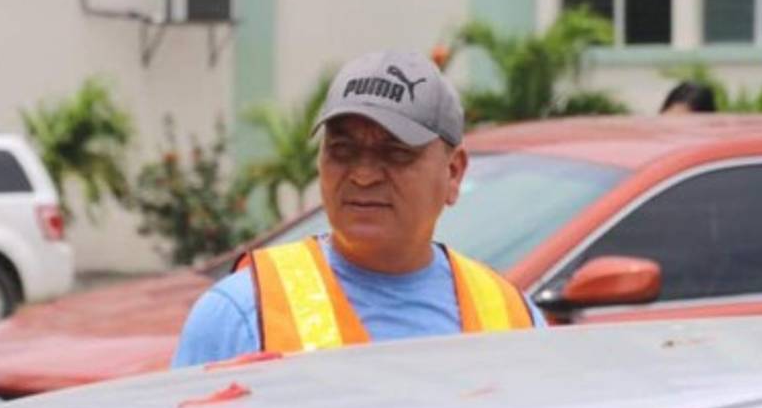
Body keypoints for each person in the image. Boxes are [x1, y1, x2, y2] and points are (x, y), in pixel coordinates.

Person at [171, 50, 544, 368]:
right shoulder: (242, 313)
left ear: (453, 172)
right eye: (343, 151)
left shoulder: (511, 316)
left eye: (396, 154)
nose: (363, 176)